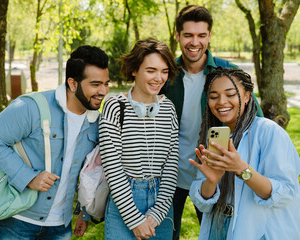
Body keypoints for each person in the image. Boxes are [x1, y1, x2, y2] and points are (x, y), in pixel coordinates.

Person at [0, 45, 110, 239]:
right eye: (95, 84)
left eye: (106, 84)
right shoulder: (31, 107)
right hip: (16, 220)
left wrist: (83, 209)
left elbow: (88, 170)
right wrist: (28, 177)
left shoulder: (96, 123)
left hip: (60, 226)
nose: (103, 91)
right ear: (73, 84)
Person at [162, 5, 264, 239]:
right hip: (170, 175)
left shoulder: (228, 71)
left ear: (209, 36)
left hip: (214, 174)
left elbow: (255, 120)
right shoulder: (166, 73)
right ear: (177, 36)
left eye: (201, 35)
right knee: (165, 235)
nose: (194, 42)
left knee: (216, 234)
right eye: (188, 35)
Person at [189, 67, 300, 239]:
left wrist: (241, 169)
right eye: (213, 96)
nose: (221, 102)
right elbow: (201, 203)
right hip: (217, 229)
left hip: (257, 231)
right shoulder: (213, 137)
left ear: (247, 96)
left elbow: (285, 193)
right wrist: (211, 181)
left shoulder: (268, 132)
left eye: (230, 94)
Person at [99, 38, 179, 240]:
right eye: (151, 70)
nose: (159, 78)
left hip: (162, 202)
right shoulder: (114, 106)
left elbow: (171, 164)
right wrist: (135, 220)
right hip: (124, 200)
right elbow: (112, 167)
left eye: (164, 71)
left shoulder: (168, 109)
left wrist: (158, 212)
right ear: (134, 70)